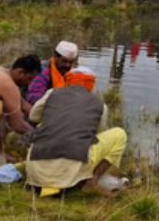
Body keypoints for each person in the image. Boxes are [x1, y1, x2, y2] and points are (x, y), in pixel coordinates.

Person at [26, 67, 127, 198]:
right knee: (119, 134)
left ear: (67, 81)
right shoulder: (100, 105)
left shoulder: (52, 93)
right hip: (70, 170)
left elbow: (33, 117)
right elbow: (98, 133)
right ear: (91, 84)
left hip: (36, 173)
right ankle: (92, 181)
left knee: (43, 126)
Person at [26, 41, 79, 106]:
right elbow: (33, 97)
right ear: (55, 57)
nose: (67, 65)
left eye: (70, 62)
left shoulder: (73, 74)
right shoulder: (42, 71)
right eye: (64, 61)